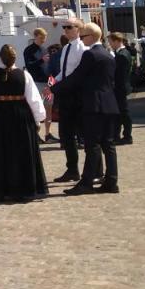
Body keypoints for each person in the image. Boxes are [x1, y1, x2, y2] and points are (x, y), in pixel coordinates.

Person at [52, 23, 120, 195]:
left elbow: (76, 77)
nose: (81, 39)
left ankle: (87, 182)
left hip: (93, 104)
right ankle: (111, 181)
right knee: (109, 145)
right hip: (110, 104)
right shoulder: (109, 55)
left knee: (92, 145)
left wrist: (54, 88)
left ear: (90, 36)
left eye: (83, 36)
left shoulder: (90, 54)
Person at [0, 44, 48, 202]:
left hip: (1, 116)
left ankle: (6, 189)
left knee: (3, 152)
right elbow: (34, 99)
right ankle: (26, 188)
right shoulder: (24, 75)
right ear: (15, 57)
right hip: (21, 115)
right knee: (23, 152)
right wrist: (38, 119)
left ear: (0, 58)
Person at [48, 19, 88, 183]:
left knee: (83, 133)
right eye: (64, 27)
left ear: (78, 29)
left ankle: (94, 169)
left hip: (75, 95)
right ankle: (72, 169)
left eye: (69, 27)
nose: (65, 30)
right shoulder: (66, 48)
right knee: (65, 134)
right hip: (64, 93)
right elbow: (64, 72)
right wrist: (53, 83)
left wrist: (57, 86)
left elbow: (77, 75)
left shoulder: (81, 48)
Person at [23, 28, 55, 143]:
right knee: (36, 109)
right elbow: (29, 65)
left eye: (45, 38)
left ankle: (48, 134)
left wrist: (52, 80)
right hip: (36, 82)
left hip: (48, 83)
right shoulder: (29, 50)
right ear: (35, 36)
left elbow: (49, 65)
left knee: (49, 108)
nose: (43, 40)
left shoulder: (44, 49)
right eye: (41, 37)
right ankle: (35, 134)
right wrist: (41, 60)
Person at [107, 32, 133, 144]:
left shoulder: (121, 55)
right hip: (121, 87)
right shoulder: (122, 53)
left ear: (117, 41)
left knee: (123, 113)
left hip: (120, 88)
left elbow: (120, 74)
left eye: (111, 42)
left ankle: (127, 136)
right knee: (119, 113)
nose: (110, 44)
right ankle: (117, 135)